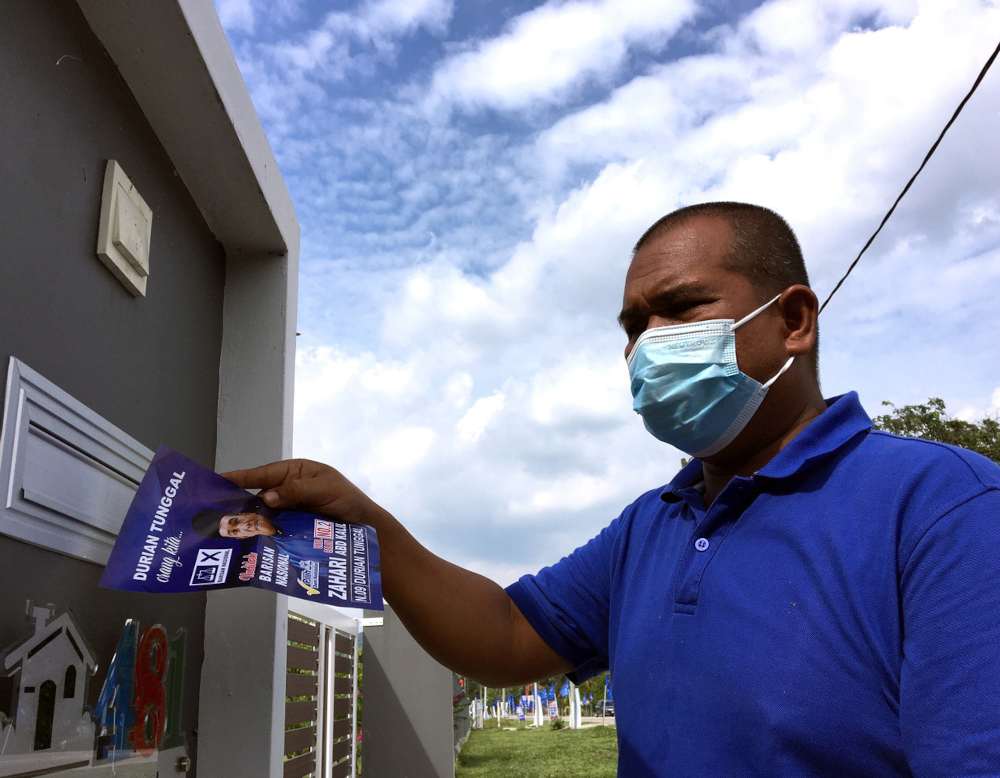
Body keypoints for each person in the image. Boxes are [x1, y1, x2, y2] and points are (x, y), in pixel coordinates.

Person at [225, 202, 1000, 776]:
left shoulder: (945, 510)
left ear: (794, 320)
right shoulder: (653, 524)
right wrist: (366, 523)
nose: (646, 347)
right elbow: (504, 637)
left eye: (682, 308)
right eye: (633, 326)